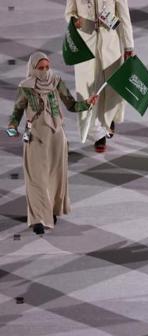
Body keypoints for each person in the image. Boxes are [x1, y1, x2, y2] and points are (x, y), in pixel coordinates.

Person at [7, 52, 98, 235]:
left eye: (47, 67)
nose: (45, 71)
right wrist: (13, 125)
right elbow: (17, 110)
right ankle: (38, 218)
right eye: (40, 68)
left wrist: (87, 103)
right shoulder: (26, 87)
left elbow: (71, 105)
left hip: (56, 135)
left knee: (56, 177)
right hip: (36, 136)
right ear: (33, 68)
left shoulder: (56, 82)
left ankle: (52, 210)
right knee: (36, 178)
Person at [65, 0, 134, 153]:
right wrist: (74, 21)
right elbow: (69, 13)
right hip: (85, 44)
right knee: (89, 88)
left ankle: (109, 118)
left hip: (111, 42)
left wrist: (129, 46)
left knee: (113, 86)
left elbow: (124, 16)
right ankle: (98, 133)